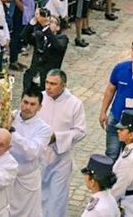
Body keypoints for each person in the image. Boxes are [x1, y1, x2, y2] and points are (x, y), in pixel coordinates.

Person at [38, 69, 86, 217]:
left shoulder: (74, 104)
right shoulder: (41, 98)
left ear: (63, 85)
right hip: (39, 155)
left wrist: (57, 137)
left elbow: (81, 131)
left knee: (56, 199)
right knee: (38, 196)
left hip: (61, 159)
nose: (48, 87)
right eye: (47, 82)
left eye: (53, 84)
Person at [8, 89, 52, 217]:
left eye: (32, 104)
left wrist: (11, 132)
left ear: (39, 107)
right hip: (6, 177)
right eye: (25, 102)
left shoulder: (44, 129)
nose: (27, 107)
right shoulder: (10, 116)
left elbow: (32, 152)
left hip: (26, 181)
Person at [21, 9, 68, 94]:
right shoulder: (40, 36)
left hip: (47, 83)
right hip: (32, 80)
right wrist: (34, 20)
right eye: (48, 21)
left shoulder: (62, 39)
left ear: (58, 27)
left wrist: (46, 27)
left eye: (52, 22)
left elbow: (58, 46)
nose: (49, 23)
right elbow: (24, 36)